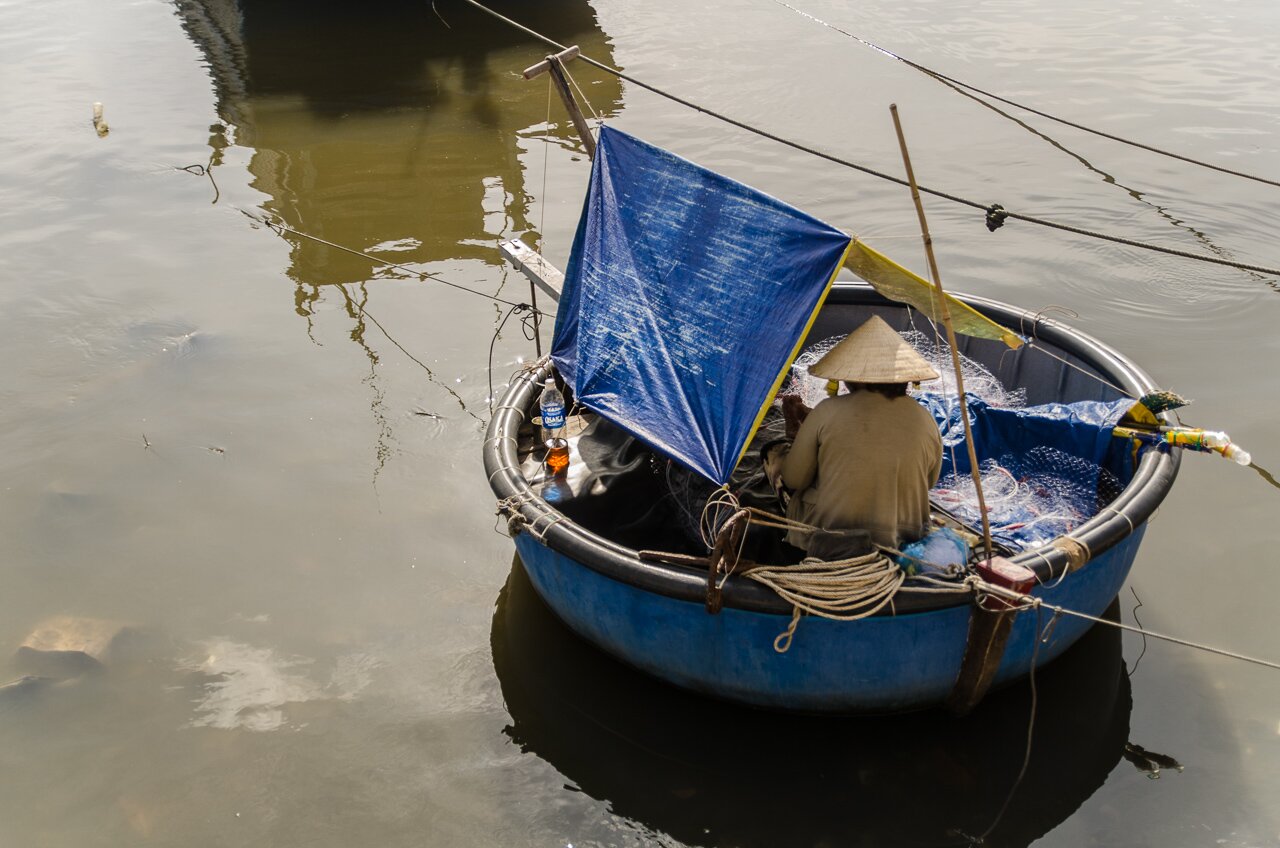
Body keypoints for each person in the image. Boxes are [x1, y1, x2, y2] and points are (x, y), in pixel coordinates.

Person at [764, 315, 943, 553]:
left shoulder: (827, 410)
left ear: (848, 379)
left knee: (774, 454)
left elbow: (795, 479)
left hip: (829, 538)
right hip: (903, 539)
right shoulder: (926, 418)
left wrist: (798, 437)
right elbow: (928, 482)